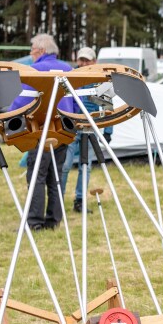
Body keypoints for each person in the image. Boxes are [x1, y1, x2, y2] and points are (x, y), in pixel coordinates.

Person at [9, 33, 78, 231]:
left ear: (40, 51)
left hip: (41, 128)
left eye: (32, 50)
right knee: (55, 176)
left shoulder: (35, 70)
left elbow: (23, 98)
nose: (31, 54)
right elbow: (75, 100)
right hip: (64, 129)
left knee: (37, 175)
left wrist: (8, 116)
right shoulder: (68, 69)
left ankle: (34, 221)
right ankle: (54, 219)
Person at [61, 46, 102, 213]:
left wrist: (108, 132)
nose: (84, 63)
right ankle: (58, 199)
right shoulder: (69, 76)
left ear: (94, 61)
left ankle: (80, 200)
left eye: (87, 60)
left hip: (90, 128)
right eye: (81, 60)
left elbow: (106, 107)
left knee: (86, 166)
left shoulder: (102, 79)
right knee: (65, 165)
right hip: (71, 127)